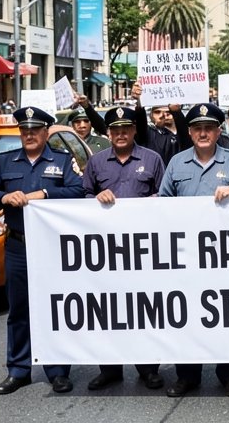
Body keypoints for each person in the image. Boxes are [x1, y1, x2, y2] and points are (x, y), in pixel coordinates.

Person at [0, 106, 85, 395]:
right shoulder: (5, 161)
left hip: (52, 250)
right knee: (19, 310)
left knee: (55, 309)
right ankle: (19, 370)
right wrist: (3, 196)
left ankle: (58, 370)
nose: (29, 135)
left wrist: (46, 194)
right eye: (24, 130)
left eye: (35, 130)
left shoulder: (62, 161)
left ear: (46, 132)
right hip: (18, 246)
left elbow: (78, 191)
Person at [158, 103, 229, 399]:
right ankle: (187, 375)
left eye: (209, 128)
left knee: (225, 315)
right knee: (186, 316)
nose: (203, 133)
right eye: (197, 128)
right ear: (189, 132)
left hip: (225, 257)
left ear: (218, 131)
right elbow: (162, 204)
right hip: (186, 257)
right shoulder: (175, 163)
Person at [82, 107, 167, 392]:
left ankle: (148, 368)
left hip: (142, 250)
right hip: (106, 251)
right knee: (108, 310)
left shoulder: (152, 159)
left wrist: (151, 201)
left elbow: (165, 198)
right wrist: (95, 197)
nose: (120, 134)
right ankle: (109, 368)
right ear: (108, 133)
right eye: (115, 130)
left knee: (144, 310)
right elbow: (82, 198)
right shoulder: (95, 162)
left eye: (126, 129)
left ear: (133, 131)